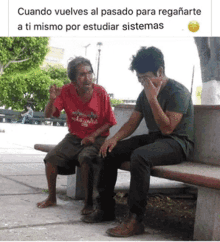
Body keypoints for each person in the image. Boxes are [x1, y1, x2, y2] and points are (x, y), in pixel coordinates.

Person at [82, 47, 194, 237]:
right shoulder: (144, 94)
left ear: (159, 72)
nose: (142, 82)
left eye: (145, 78)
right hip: (155, 140)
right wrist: (114, 138)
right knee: (110, 151)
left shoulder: (178, 92)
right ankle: (105, 208)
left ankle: (135, 220)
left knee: (140, 156)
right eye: (139, 79)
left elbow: (168, 129)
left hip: (178, 143)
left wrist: (153, 100)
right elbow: (133, 122)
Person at [37, 57, 117, 215]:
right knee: (51, 158)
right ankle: (52, 198)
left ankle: (88, 203)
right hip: (74, 137)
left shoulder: (100, 92)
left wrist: (93, 136)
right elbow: (49, 115)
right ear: (73, 80)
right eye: (81, 74)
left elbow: (109, 121)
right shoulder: (66, 90)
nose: (87, 78)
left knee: (86, 158)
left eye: (89, 73)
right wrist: (52, 99)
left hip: (97, 137)